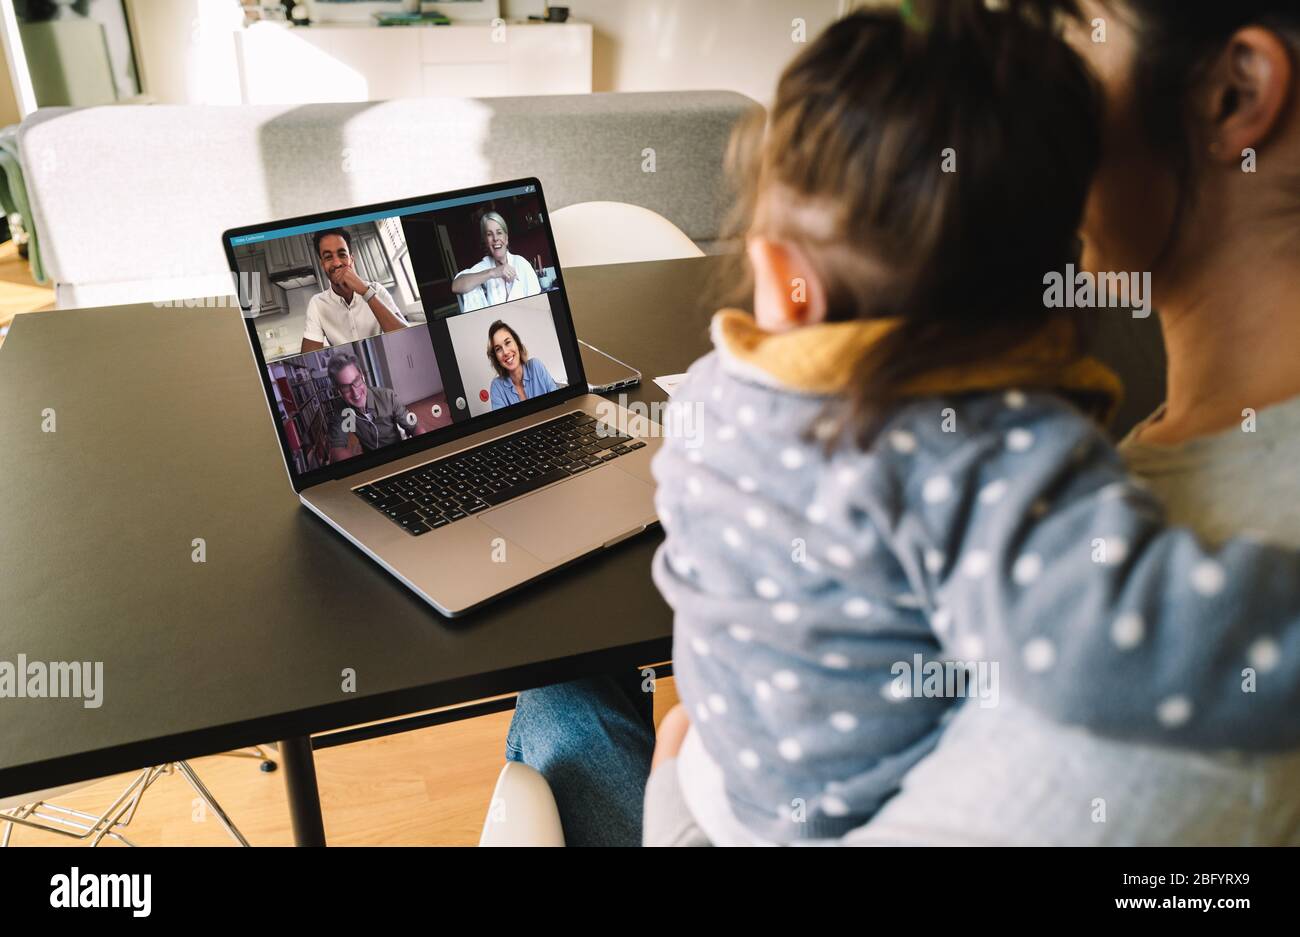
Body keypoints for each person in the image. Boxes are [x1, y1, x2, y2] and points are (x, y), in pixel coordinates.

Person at [505, 0, 1300, 847]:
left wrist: (680, 773)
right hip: (739, 784)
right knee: (568, 700)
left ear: (1235, 92)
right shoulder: (999, 452)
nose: (1049, 74)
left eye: (1071, 28)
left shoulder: (714, 392)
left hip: (729, 798)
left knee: (557, 699)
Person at [300, 229, 408, 353]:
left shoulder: (376, 289)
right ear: (322, 264)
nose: (336, 263)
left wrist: (366, 292)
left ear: (351, 259)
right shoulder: (317, 304)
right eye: (328, 257)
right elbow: (308, 355)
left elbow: (406, 337)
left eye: (342, 255)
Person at [325, 353, 415, 463]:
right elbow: (337, 449)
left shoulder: (387, 396)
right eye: (345, 387)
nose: (355, 392)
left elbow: (414, 427)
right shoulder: (341, 409)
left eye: (356, 381)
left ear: (362, 376)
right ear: (338, 391)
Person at [451, 212, 542, 313]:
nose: (495, 239)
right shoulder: (485, 266)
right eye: (489, 234)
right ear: (486, 241)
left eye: (499, 233)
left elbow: (538, 305)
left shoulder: (521, 263)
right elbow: (456, 286)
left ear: (506, 238)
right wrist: (492, 273)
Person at [487, 320, 558, 409]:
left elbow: (558, 402)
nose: (505, 352)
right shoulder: (497, 386)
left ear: (517, 344)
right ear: (496, 358)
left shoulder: (535, 366)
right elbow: (502, 421)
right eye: (498, 349)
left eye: (508, 343)